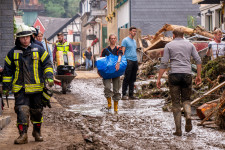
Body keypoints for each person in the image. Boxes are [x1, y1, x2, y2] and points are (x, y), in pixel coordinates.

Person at [2, 25, 54, 144]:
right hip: (20, 89)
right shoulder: (12, 53)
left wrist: (50, 77)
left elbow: (47, 64)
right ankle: (23, 135)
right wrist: (5, 87)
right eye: (22, 37)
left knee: (37, 112)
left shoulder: (40, 50)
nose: (25, 39)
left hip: (37, 88)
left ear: (31, 37)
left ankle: (37, 132)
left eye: (27, 37)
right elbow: (7, 71)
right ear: (18, 39)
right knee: (22, 111)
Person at [156, 27, 202, 136]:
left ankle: (178, 130)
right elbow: (198, 60)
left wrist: (159, 78)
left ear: (173, 35)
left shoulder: (169, 45)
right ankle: (188, 116)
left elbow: (164, 63)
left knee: (176, 103)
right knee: (186, 99)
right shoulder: (190, 44)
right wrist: (198, 76)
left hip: (174, 75)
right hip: (187, 74)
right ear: (183, 35)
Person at [100, 34, 123, 113]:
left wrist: (118, 63)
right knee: (107, 87)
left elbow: (120, 54)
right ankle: (109, 104)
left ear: (116, 40)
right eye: (111, 38)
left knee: (116, 90)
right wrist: (99, 71)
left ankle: (116, 108)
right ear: (109, 40)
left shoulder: (118, 48)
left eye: (114, 38)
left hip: (116, 71)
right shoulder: (105, 50)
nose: (113, 40)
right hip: (107, 72)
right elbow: (101, 60)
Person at [121, 26, 138, 100]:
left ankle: (131, 94)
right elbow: (123, 51)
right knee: (127, 78)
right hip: (128, 60)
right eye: (133, 31)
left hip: (135, 60)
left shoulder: (134, 41)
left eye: (135, 31)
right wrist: (123, 61)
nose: (134, 32)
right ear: (130, 31)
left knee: (133, 78)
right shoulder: (125, 40)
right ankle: (124, 94)